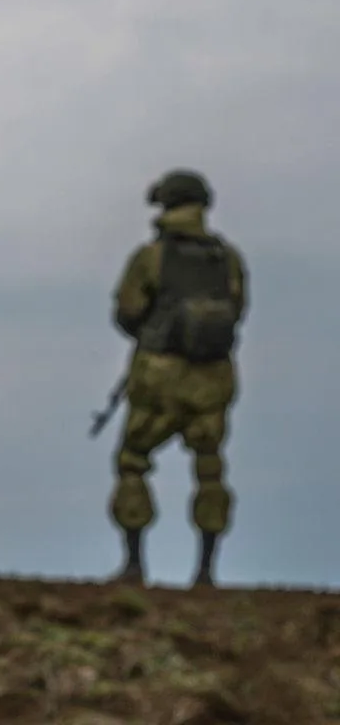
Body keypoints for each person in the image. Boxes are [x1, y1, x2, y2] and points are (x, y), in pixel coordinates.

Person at [107, 169, 248, 588]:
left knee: (133, 461)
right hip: (213, 377)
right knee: (209, 468)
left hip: (159, 374)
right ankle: (206, 571)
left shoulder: (150, 257)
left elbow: (127, 312)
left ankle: (134, 565)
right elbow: (238, 310)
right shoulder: (228, 259)